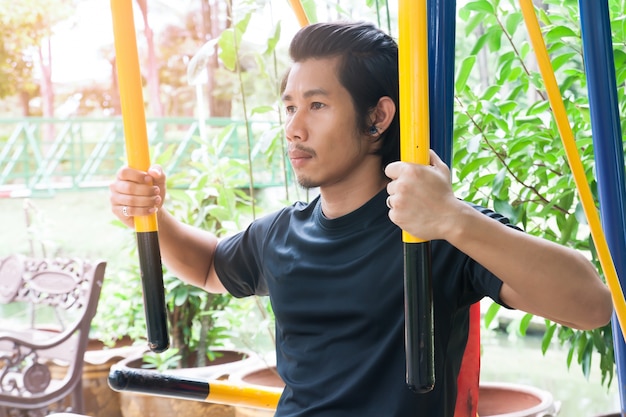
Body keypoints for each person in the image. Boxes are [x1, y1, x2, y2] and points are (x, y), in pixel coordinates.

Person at [109, 21, 612, 417]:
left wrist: (455, 218)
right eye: (288, 108)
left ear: (378, 117)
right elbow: (208, 269)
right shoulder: (282, 233)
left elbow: (591, 305)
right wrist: (152, 213)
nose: (294, 128)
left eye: (317, 105)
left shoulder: (434, 232)